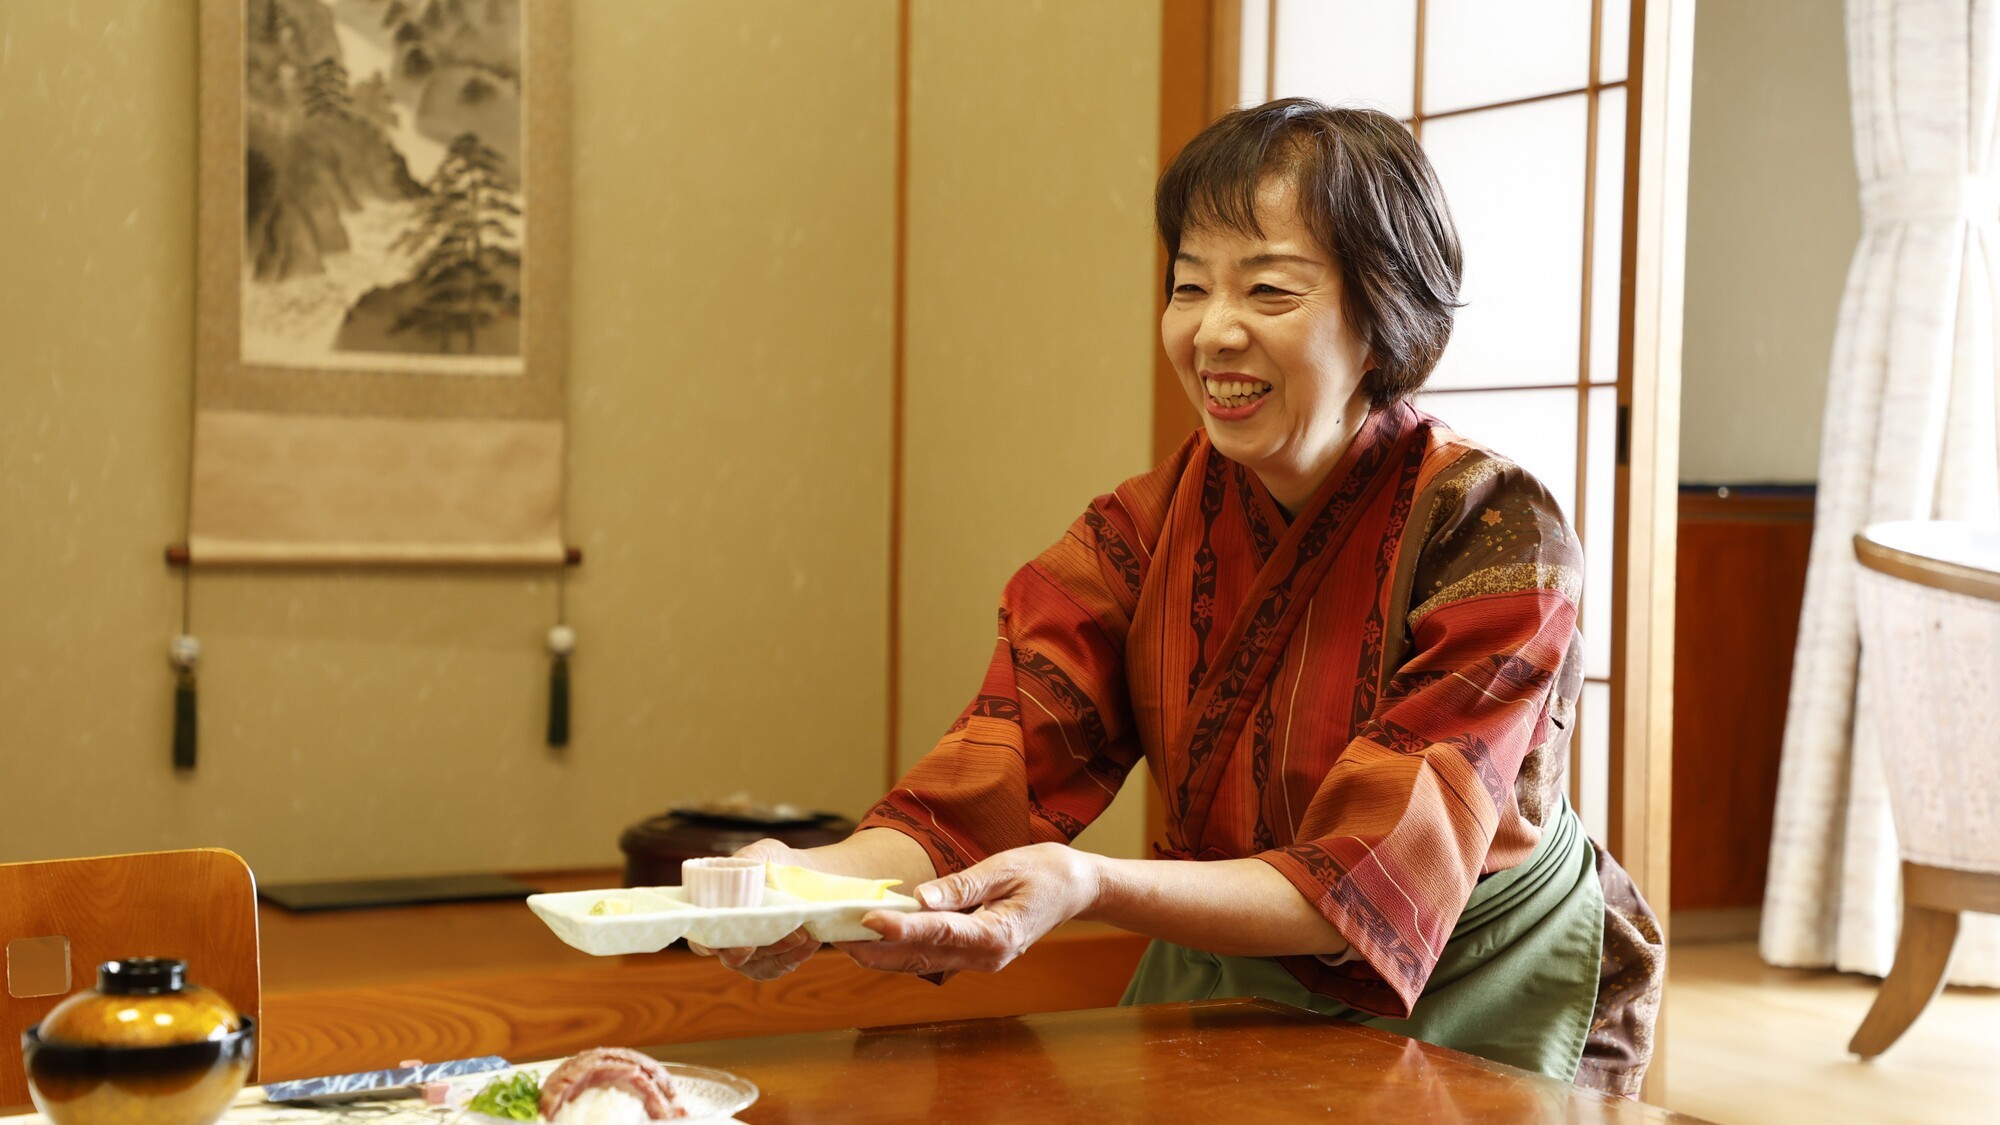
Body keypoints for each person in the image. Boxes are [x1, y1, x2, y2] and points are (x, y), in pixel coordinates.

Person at [692, 98, 1662, 1096]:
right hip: (1230, 954)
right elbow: (993, 779)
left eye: (1268, 291)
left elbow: (1372, 869)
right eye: (1187, 286)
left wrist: (1092, 886)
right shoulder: (1139, 533)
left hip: (1481, 973)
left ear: (1380, 317)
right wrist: (798, 883)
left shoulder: (1493, 530)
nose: (1212, 332)